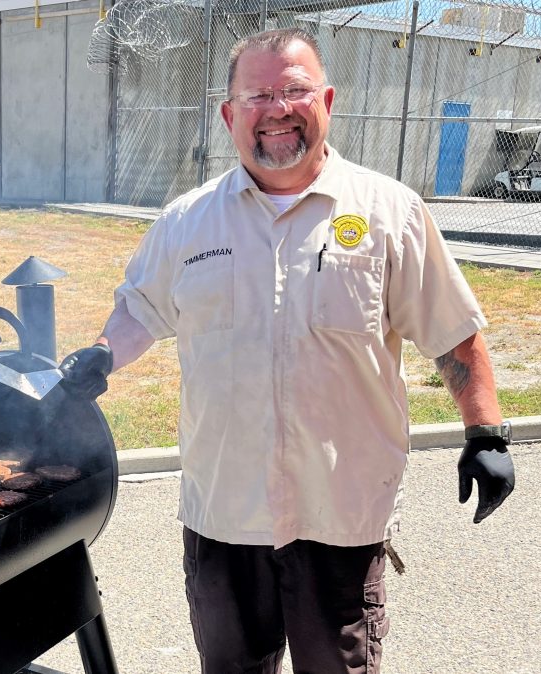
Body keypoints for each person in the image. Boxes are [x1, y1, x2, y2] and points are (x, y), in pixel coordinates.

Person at [58, 28, 515, 674]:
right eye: (257, 95)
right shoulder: (188, 224)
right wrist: (100, 357)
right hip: (224, 517)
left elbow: (452, 332)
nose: (276, 109)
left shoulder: (391, 212)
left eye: (295, 90)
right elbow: (140, 308)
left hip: (341, 518)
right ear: (228, 115)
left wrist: (486, 433)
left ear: (326, 100)